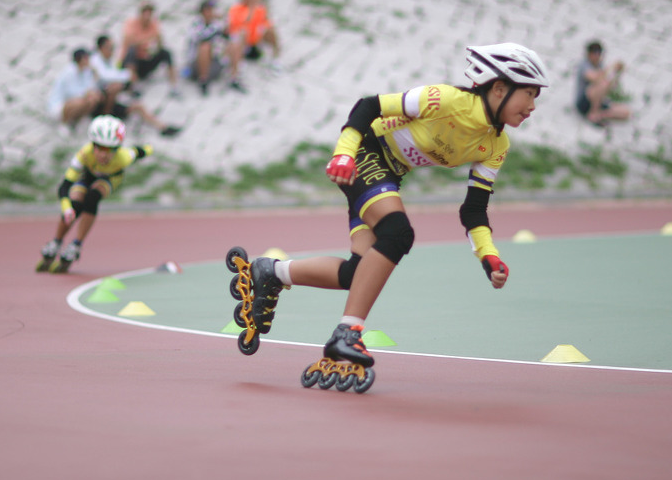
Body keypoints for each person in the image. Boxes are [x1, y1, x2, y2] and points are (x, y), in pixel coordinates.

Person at [233, 43, 549, 372]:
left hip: (389, 175)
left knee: (358, 273)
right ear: (499, 88)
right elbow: (369, 106)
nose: (533, 106)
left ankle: (272, 272)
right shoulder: (445, 100)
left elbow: (474, 209)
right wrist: (344, 153)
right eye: (528, 93)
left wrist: (488, 255)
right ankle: (347, 332)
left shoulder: (496, 145)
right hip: (364, 152)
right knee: (397, 233)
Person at [36, 115, 153, 272]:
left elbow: (138, 151)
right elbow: (64, 186)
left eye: (110, 149)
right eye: (100, 148)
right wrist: (66, 208)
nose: (104, 154)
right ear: (93, 145)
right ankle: (56, 241)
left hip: (110, 178)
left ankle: (76, 244)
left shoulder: (123, 157)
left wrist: (151, 148)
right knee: (75, 204)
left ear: (117, 148)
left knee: (92, 198)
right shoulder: (84, 154)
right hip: (88, 175)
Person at [90, 35, 181, 137]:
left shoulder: (109, 60)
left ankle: (162, 127)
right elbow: (105, 76)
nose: (112, 50)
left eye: (113, 47)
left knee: (138, 106)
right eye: (110, 48)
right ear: (101, 48)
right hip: (100, 103)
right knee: (115, 86)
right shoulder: (95, 60)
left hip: (111, 100)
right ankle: (106, 118)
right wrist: (128, 75)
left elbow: (115, 74)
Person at [119, 2, 181, 98]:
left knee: (166, 53)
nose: (147, 17)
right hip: (130, 62)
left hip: (145, 60)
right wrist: (146, 41)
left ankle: (174, 85)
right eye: (145, 14)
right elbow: (130, 41)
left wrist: (156, 43)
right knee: (132, 51)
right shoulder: (131, 23)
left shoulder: (154, 24)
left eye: (149, 14)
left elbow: (159, 42)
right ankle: (133, 85)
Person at [185, 0, 244, 95]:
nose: (211, 12)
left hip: (214, 63)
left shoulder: (216, 24)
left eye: (212, 9)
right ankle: (203, 81)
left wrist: (226, 28)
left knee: (234, 44)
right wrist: (218, 31)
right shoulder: (195, 24)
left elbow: (227, 37)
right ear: (203, 11)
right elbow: (201, 38)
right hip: (196, 66)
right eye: (209, 10)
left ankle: (234, 78)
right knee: (205, 47)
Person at [574, 40, 631, 126]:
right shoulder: (584, 65)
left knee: (625, 113)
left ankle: (599, 115)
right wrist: (611, 67)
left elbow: (611, 86)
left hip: (599, 102)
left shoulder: (600, 65)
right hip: (584, 102)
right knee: (603, 84)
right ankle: (593, 113)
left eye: (599, 53)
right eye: (595, 53)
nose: (597, 56)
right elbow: (595, 78)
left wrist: (617, 73)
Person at [228, 0, 281, 71]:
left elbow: (267, 23)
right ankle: (236, 69)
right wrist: (252, 7)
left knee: (271, 31)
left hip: (255, 43)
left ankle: (275, 60)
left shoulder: (260, 9)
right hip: (241, 44)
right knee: (242, 34)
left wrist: (265, 7)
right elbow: (242, 25)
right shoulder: (236, 9)